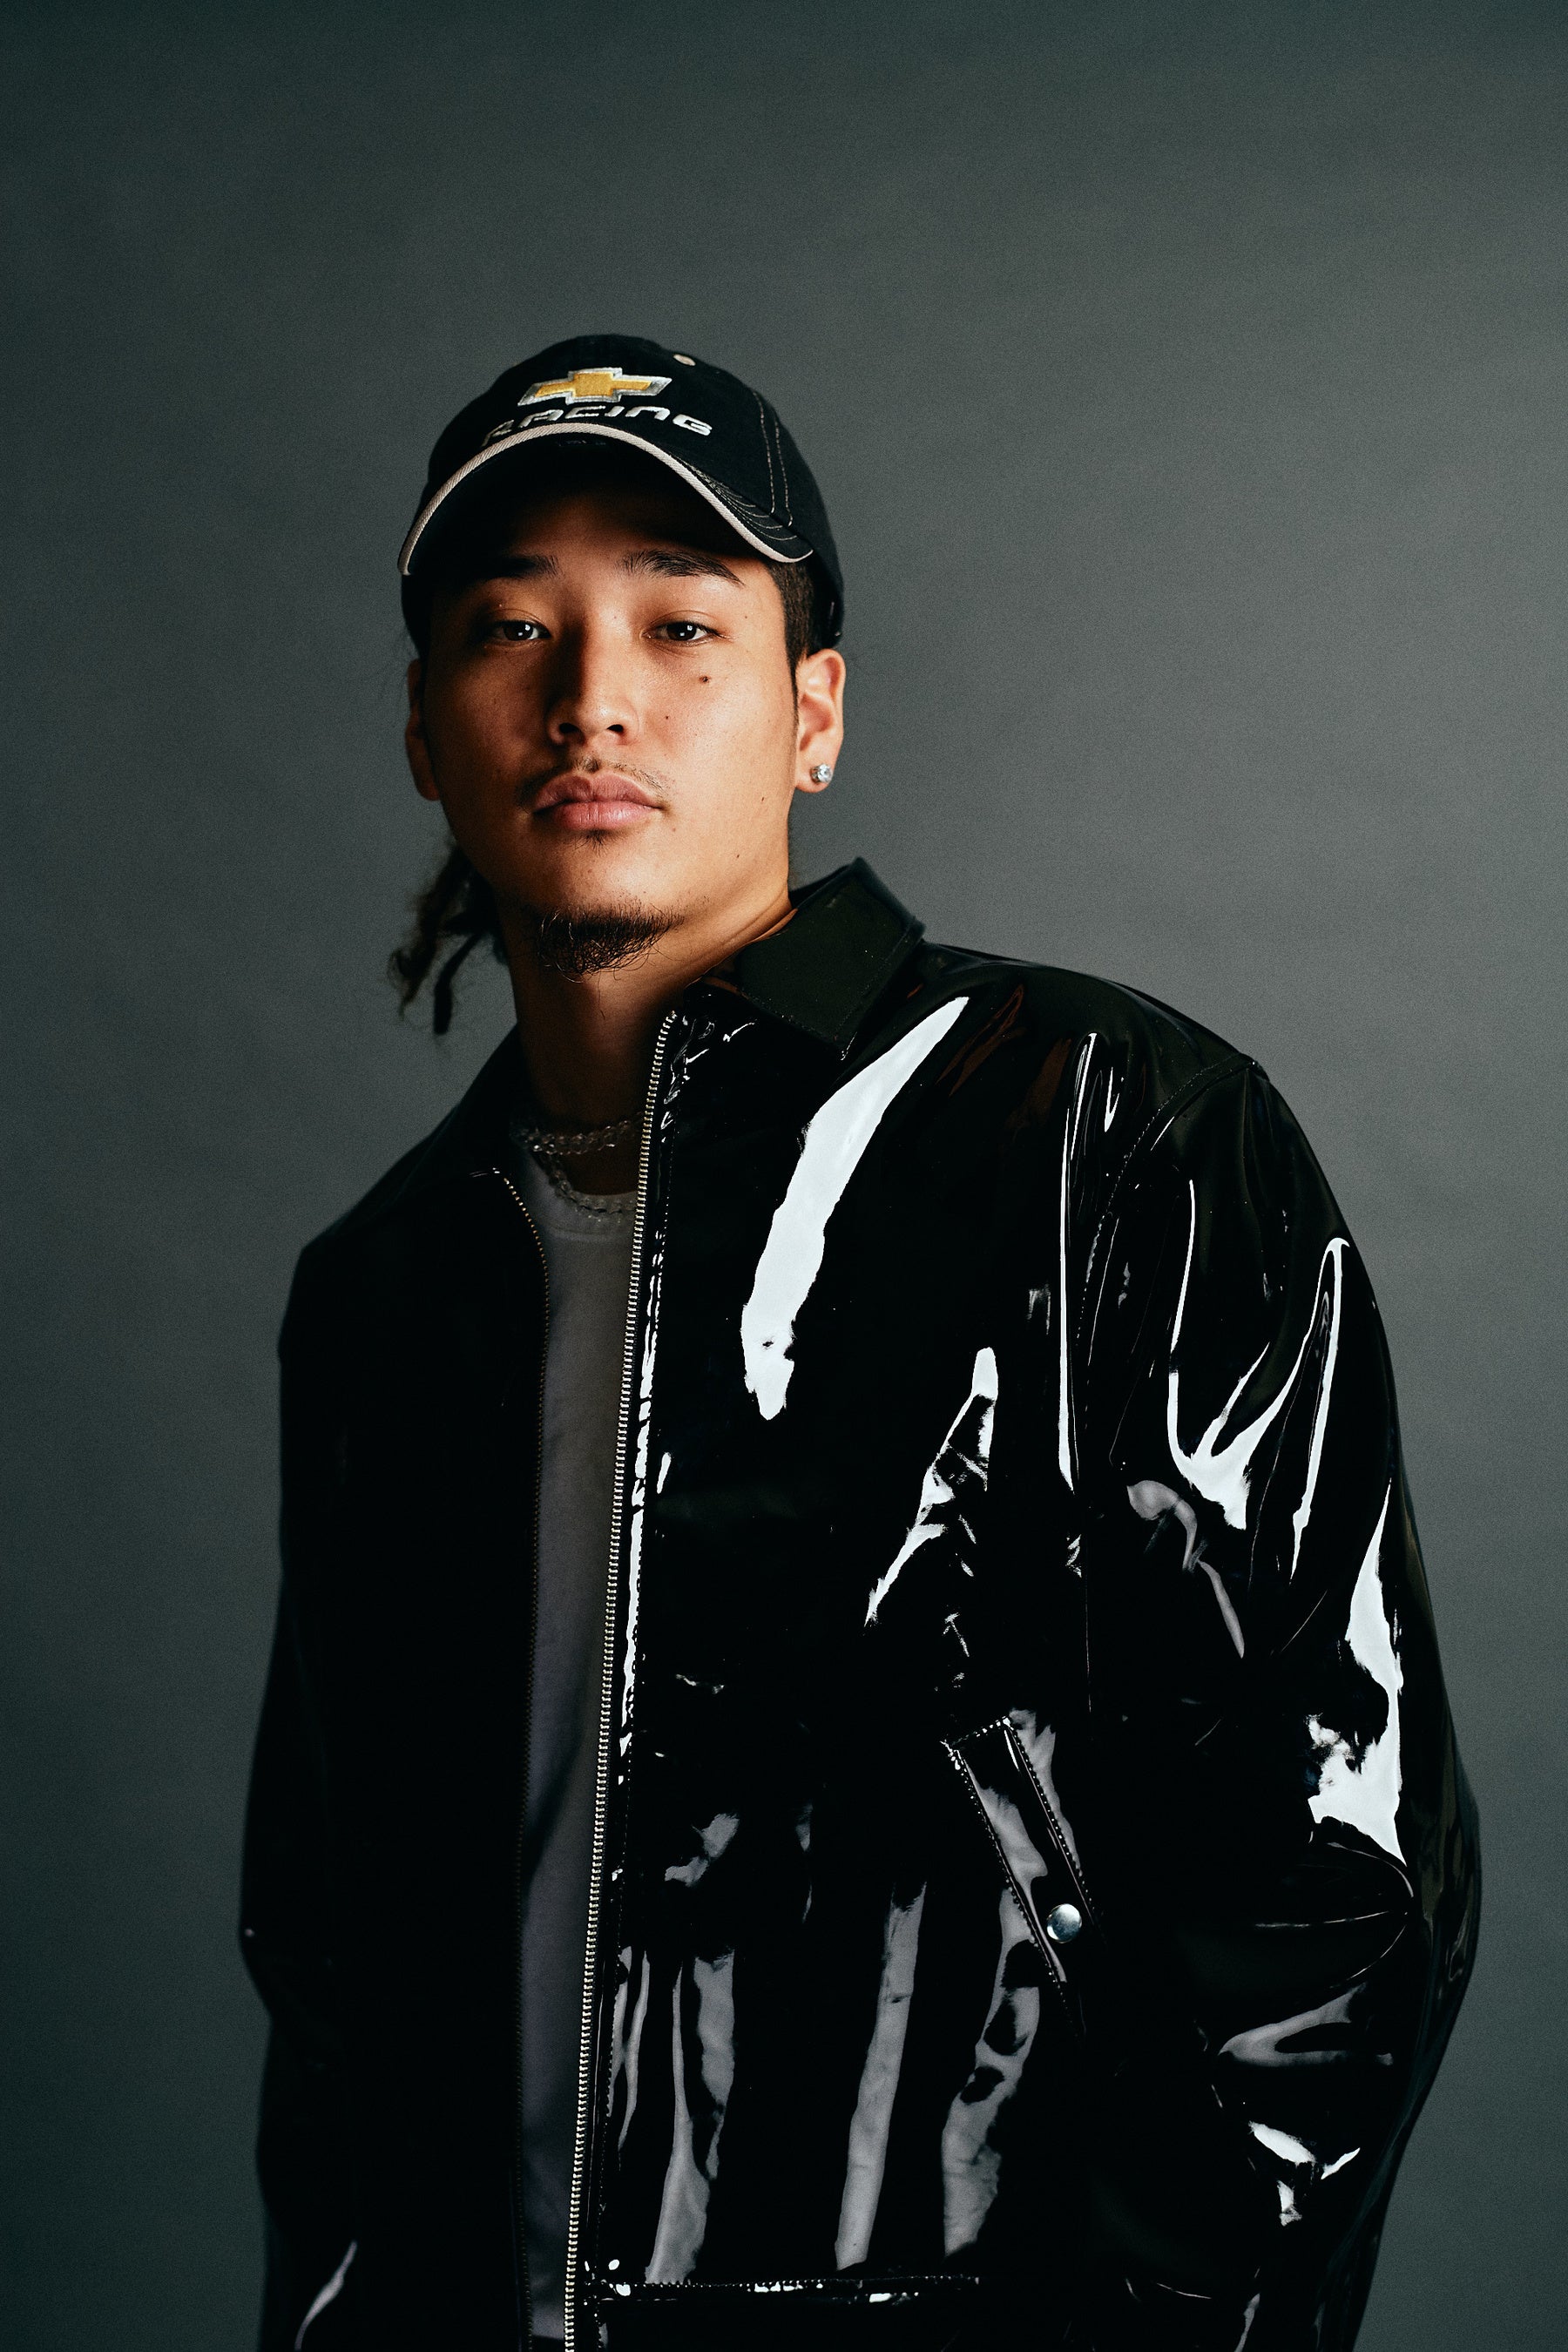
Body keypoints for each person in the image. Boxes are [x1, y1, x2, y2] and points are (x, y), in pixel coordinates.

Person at [240, 335, 1479, 2352]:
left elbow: (1334, 1878)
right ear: (423, 733)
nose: (593, 696)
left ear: (813, 714)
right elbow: (333, 1966)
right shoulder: (385, 1289)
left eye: (681, 623)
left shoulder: (1103, 1130)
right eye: (510, 627)